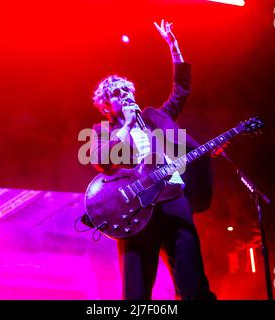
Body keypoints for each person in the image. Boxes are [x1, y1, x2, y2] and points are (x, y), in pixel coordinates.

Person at [89, 20, 216, 300]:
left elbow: (181, 90)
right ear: (106, 105)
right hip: (135, 211)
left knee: (194, 285)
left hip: (173, 200)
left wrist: (174, 46)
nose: (127, 95)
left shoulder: (155, 117)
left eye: (128, 90)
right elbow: (101, 160)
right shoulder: (104, 132)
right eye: (118, 94)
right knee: (137, 290)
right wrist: (125, 128)